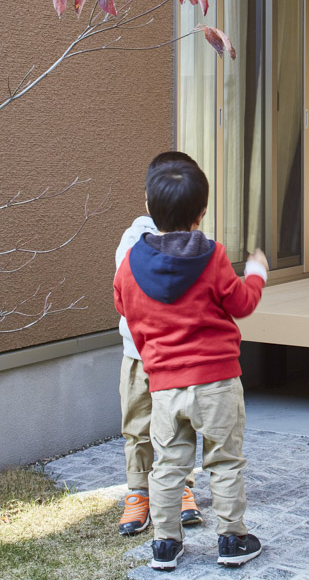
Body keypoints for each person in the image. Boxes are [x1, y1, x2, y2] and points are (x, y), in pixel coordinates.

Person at [114, 155, 268, 571]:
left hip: (165, 387)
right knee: (224, 461)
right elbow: (242, 303)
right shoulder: (213, 256)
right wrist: (256, 273)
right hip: (217, 381)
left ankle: (165, 545)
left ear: (149, 207)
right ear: (201, 213)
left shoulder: (130, 264)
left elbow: (126, 309)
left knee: (168, 465)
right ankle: (232, 539)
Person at [116, 151, 204, 537]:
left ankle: (181, 486)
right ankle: (139, 491)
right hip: (138, 355)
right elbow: (125, 292)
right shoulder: (134, 239)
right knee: (138, 423)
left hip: (179, 358)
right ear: (149, 200)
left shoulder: (201, 244)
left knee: (177, 425)